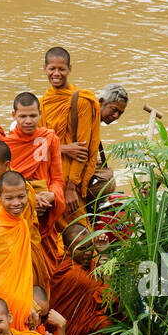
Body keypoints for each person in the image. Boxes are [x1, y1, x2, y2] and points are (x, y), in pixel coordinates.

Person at [0, 170, 51, 330]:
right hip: (2, 304)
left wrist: (26, 302)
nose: (16, 203)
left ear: (28, 194)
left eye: (21, 197)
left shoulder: (20, 222)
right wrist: (22, 305)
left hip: (21, 299)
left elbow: (21, 271)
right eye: (9, 198)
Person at [39, 47, 101, 227]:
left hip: (69, 182)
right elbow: (38, 147)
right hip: (48, 180)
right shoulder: (42, 102)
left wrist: (71, 187)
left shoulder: (81, 101)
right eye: (52, 69)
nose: (56, 73)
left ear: (70, 69)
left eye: (61, 69)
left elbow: (83, 149)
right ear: (45, 69)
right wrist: (63, 148)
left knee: (81, 234)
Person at [4, 91, 65, 256]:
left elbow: (58, 179)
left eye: (32, 115)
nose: (28, 121)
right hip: (18, 209)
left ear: (40, 114)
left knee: (46, 262)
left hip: (45, 207)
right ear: (14, 115)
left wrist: (52, 195)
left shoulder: (50, 138)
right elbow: (2, 184)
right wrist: (30, 199)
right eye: (23, 116)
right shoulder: (6, 145)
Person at [50, 222, 114, 335]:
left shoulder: (79, 263)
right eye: (82, 249)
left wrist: (102, 253)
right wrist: (103, 255)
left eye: (90, 247)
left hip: (75, 327)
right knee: (104, 324)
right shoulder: (74, 275)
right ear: (68, 249)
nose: (88, 253)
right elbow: (107, 299)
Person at [90, 83, 129, 214]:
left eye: (120, 113)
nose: (116, 116)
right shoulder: (86, 117)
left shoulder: (94, 120)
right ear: (101, 102)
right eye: (114, 110)